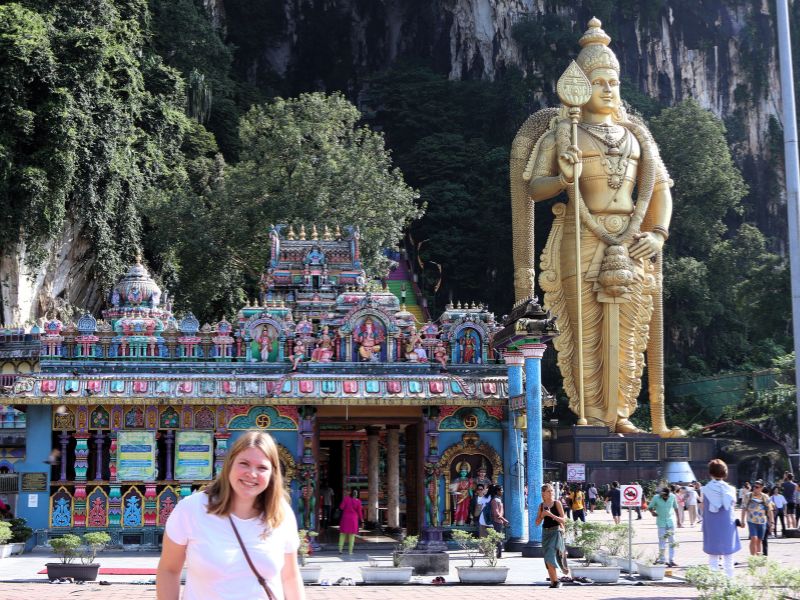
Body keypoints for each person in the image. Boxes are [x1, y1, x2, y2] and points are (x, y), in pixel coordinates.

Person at [515, 17, 681, 437]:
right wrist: (563, 178)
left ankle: (622, 414)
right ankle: (587, 415)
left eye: (613, 81)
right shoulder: (563, 132)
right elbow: (534, 187)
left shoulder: (637, 135)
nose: (608, 88)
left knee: (628, 330)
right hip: (580, 236)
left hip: (630, 239)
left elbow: (660, 188)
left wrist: (657, 232)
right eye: (599, 81)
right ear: (581, 86)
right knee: (583, 328)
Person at [156, 431, 304, 600]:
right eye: (244, 463)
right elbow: (169, 570)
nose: (252, 474)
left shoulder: (280, 514)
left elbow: (290, 577)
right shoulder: (192, 509)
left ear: (272, 474)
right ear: (229, 465)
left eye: (262, 467)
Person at [702, 458, 742, 579]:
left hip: (711, 524)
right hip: (727, 525)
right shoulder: (730, 489)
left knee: (713, 557)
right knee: (729, 556)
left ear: (710, 472)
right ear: (725, 472)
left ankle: (714, 584)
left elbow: (703, 507)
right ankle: (730, 583)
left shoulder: (705, 489)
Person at [536, 483, 570, 588]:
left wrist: (550, 515)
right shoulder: (541, 505)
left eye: (552, 491)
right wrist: (542, 515)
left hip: (556, 531)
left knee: (551, 554)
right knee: (547, 557)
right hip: (545, 533)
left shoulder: (557, 503)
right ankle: (553, 582)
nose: (551, 493)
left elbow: (563, 520)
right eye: (548, 491)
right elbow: (537, 523)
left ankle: (556, 581)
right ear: (543, 494)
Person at [649, 487, 678, 567]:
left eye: (667, 496)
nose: (665, 497)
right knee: (662, 542)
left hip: (671, 522)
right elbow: (650, 507)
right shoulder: (656, 498)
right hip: (661, 522)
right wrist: (652, 512)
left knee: (672, 541)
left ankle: (671, 560)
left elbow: (676, 507)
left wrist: (679, 520)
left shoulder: (673, 496)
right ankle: (662, 560)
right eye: (664, 496)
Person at [742, 480, 772, 556]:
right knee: (753, 539)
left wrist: (772, 523)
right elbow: (744, 508)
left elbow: (770, 510)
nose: (754, 488)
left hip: (762, 522)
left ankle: (758, 558)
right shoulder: (748, 496)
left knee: (759, 540)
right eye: (754, 486)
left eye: (757, 487)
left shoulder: (765, 497)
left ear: (761, 488)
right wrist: (742, 521)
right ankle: (753, 558)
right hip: (751, 521)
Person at [338, 488, 363, 555]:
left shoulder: (346, 498)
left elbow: (341, 507)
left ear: (351, 493)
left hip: (345, 519)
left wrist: (346, 497)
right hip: (353, 520)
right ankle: (350, 551)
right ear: (357, 494)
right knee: (352, 535)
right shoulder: (358, 501)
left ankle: (340, 550)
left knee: (342, 534)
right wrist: (362, 520)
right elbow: (360, 512)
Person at [489, 484, 509, 558]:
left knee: (498, 538)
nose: (502, 491)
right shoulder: (495, 500)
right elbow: (496, 513)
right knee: (498, 538)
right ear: (497, 491)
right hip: (496, 521)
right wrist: (504, 520)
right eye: (501, 490)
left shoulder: (498, 500)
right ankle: (498, 554)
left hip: (499, 521)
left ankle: (499, 554)